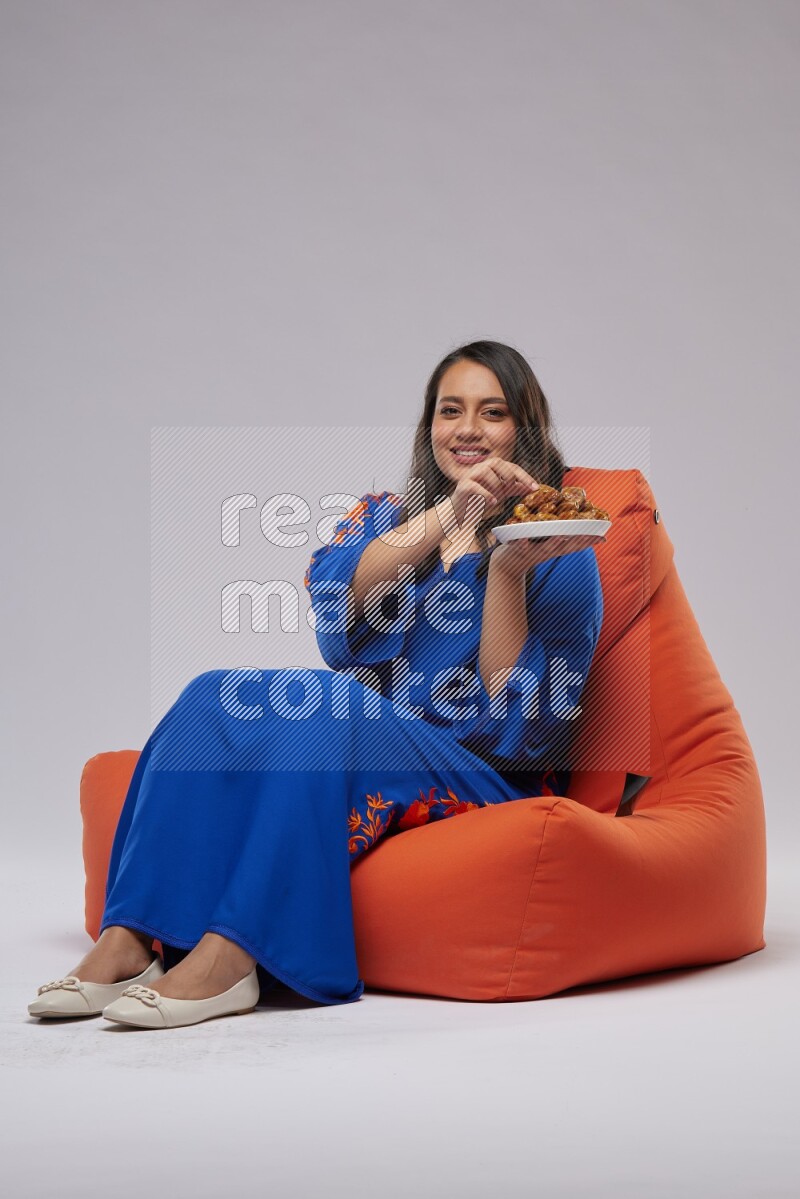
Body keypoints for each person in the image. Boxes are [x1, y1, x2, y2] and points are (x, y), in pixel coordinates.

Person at [27, 339, 605, 1029]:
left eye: (493, 412)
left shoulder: (558, 542)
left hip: (486, 773)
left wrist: (508, 567)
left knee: (336, 706)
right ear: (430, 427)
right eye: (450, 410)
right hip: (370, 735)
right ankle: (128, 939)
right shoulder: (392, 518)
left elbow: (518, 724)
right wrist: (450, 516)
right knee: (213, 693)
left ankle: (235, 957)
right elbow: (337, 615)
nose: (469, 429)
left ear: (525, 429)